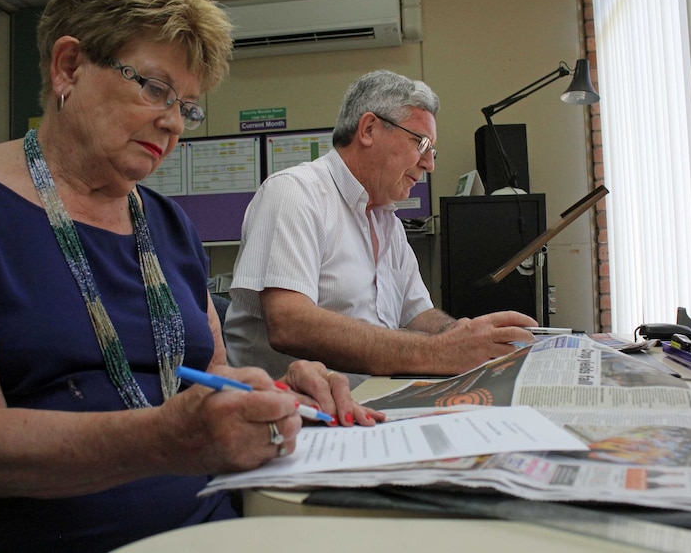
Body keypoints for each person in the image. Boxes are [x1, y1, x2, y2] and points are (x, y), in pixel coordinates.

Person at [0, 0, 382, 551]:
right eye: (154, 88)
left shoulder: (168, 226)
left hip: (212, 524)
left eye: (186, 107)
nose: (173, 123)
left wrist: (273, 395)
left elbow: (215, 374)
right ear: (68, 67)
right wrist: (161, 442)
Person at [224, 70, 538, 387]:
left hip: (369, 403)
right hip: (292, 416)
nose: (430, 163)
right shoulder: (294, 193)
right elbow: (290, 324)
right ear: (370, 129)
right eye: (421, 142)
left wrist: (462, 335)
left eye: (433, 149)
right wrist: (440, 351)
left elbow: (418, 314)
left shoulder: (387, 221)